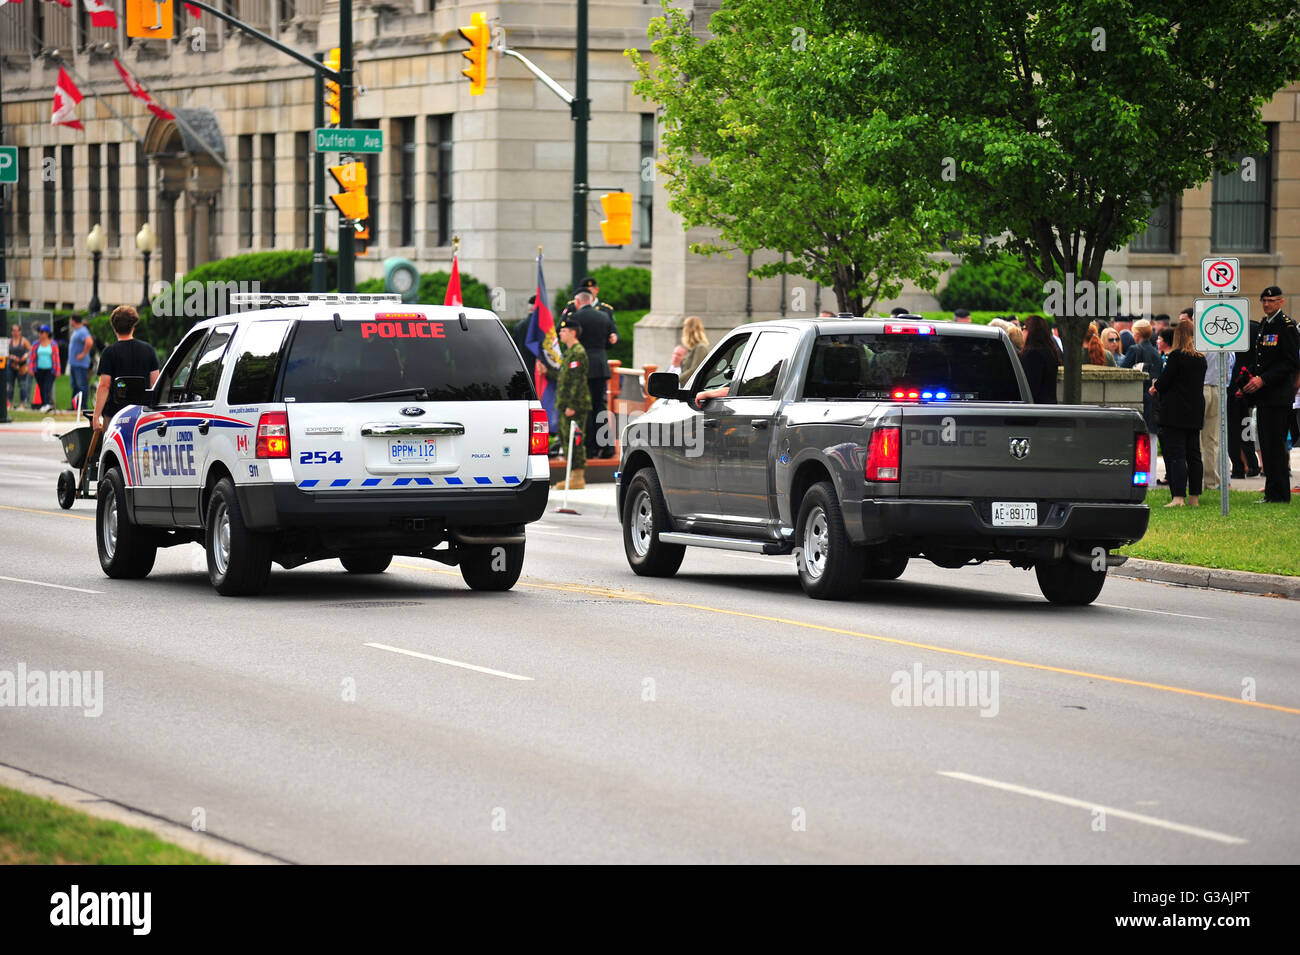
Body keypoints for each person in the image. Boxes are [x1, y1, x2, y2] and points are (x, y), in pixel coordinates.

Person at [1241, 286, 1300, 502]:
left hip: (1278, 394)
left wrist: (1264, 379)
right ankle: (1271, 492)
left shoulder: (1286, 326)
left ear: (1281, 302)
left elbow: (1290, 361)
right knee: (1266, 445)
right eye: (1264, 300)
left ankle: (1280, 493)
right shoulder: (1266, 323)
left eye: (1271, 300)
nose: (1267, 304)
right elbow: (1260, 359)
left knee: (1276, 445)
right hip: (1264, 395)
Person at [1150, 320, 1207, 507]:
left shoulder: (1176, 356)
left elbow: (1165, 382)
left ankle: (1178, 497)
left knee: (1177, 455)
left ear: (1177, 336)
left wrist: (1155, 386)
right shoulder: (1200, 358)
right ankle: (1194, 497)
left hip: (1175, 411)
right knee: (1194, 455)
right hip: (1195, 410)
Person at [92, 305, 160, 434]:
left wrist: (96, 416)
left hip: (115, 413)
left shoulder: (109, 352)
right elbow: (155, 383)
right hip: (141, 412)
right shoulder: (148, 350)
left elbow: (104, 385)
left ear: (114, 327)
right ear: (134, 325)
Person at [570, 290, 618, 459]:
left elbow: (570, 342)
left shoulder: (575, 318)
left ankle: (589, 448)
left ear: (578, 301)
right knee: (600, 406)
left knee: (586, 408)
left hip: (584, 366)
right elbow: (609, 343)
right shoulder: (604, 317)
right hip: (600, 366)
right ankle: (607, 447)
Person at [554, 315, 590, 490]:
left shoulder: (578, 353)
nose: (560, 333)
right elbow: (565, 379)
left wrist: (572, 406)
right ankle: (571, 475)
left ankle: (577, 476)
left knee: (574, 439)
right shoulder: (569, 353)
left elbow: (578, 381)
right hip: (565, 405)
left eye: (564, 330)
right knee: (565, 439)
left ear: (573, 333)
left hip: (575, 406)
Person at [1018, 315, 1059, 403]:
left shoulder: (1032, 355)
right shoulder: (1050, 352)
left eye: (1024, 328)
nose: (1022, 331)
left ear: (1031, 331)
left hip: (1036, 408)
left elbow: (1030, 388)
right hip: (1049, 407)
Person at [29, 324, 61, 413]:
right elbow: (32, 357)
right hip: (38, 370)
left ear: (47, 333)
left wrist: (58, 370)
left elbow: (57, 358)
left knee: (47, 387)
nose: (41, 334)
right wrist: (31, 368)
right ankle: (44, 404)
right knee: (41, 387)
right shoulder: (36, 344)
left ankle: (46, 404)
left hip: (50, 370)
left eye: (43, 332)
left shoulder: (53, 344)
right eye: (40, 332)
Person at [67, 313, 93, 413]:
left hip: (80, 364)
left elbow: (89, 342)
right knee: (75, 386)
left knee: (82, 385)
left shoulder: (82, 330)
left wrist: (82, 354)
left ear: (73, 321)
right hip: (74, 364)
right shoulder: (78, 331)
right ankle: (75, 406)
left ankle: (83, 406)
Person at [7, 323, 31, 410]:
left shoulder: (23, 340)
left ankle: (22, 404)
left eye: (17, 330)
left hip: (21, 366)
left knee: (22, 385)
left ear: (20, 331)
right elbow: (5, 353)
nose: (15, 332)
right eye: (13, 330)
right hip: (12, 366)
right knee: (10, 385)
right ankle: (9, 404)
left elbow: (30, 350)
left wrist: (24, 356)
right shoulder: (10, 341)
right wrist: (12, 357)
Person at [678, 315, 709, 382]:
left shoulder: (700, 348)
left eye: (685, 326)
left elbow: (695, 369)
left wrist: (676, 379)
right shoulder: (691, 348)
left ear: (690, 329)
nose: (683, 329)